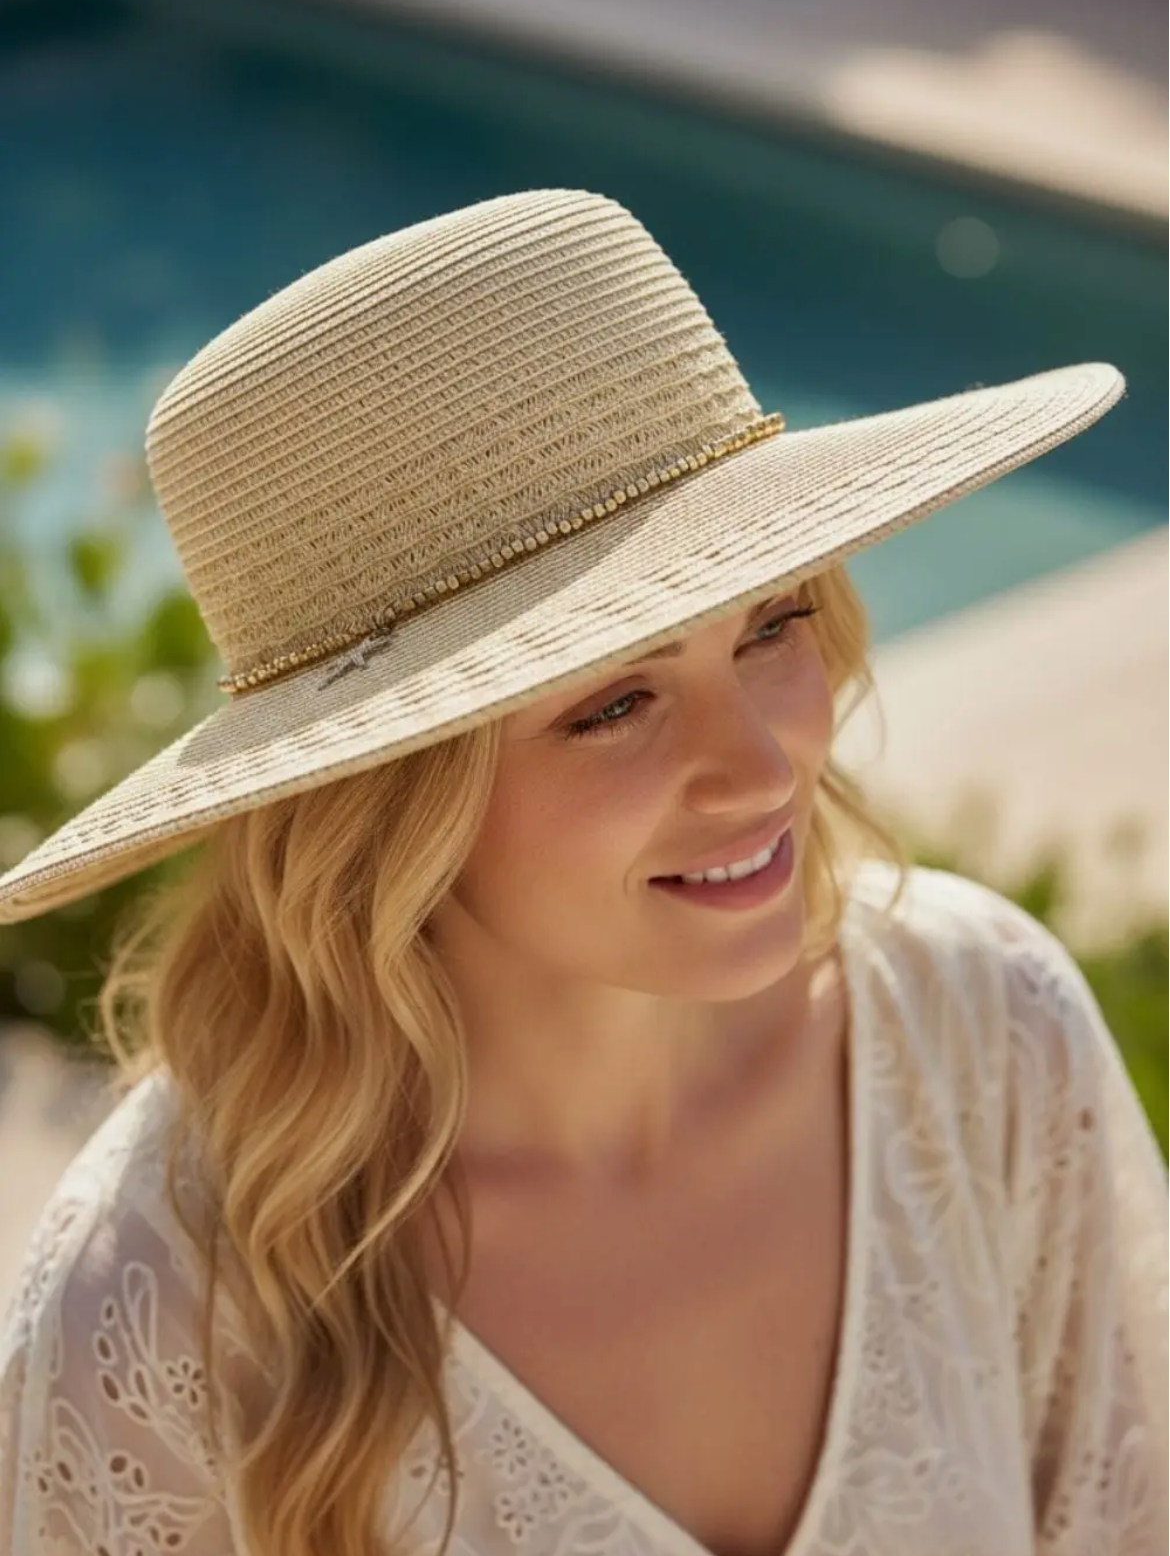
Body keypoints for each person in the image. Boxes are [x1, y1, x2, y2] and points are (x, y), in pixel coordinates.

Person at [0, 188, 1165, 1556]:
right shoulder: (162, 1309)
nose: (758, 768)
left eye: (769, 625)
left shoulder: (983, 1035)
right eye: (610, 706)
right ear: (382, 807)